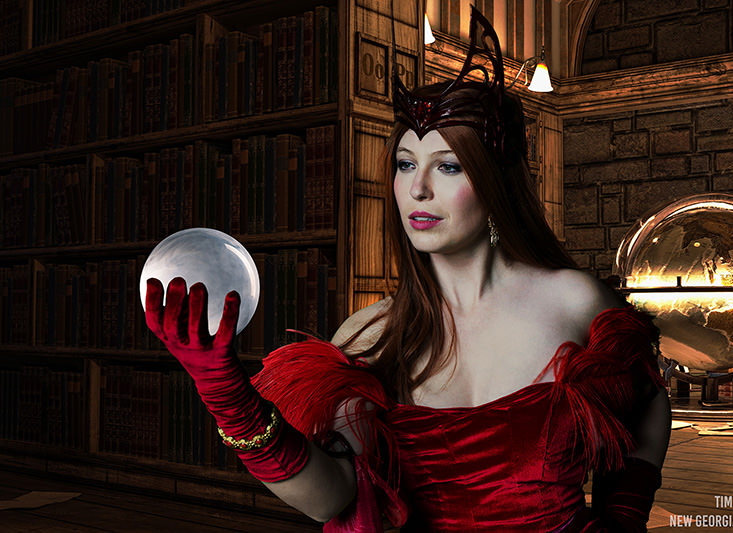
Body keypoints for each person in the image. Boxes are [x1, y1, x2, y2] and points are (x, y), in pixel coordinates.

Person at [144, 7, 670, 532]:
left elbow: (649, 402)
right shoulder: (370, 334)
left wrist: (624, 512)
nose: (418, 189)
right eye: (404, 164)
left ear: (495, 185)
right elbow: (329, 500)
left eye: (447, 166)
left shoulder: (575, 303)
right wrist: (227, 395)